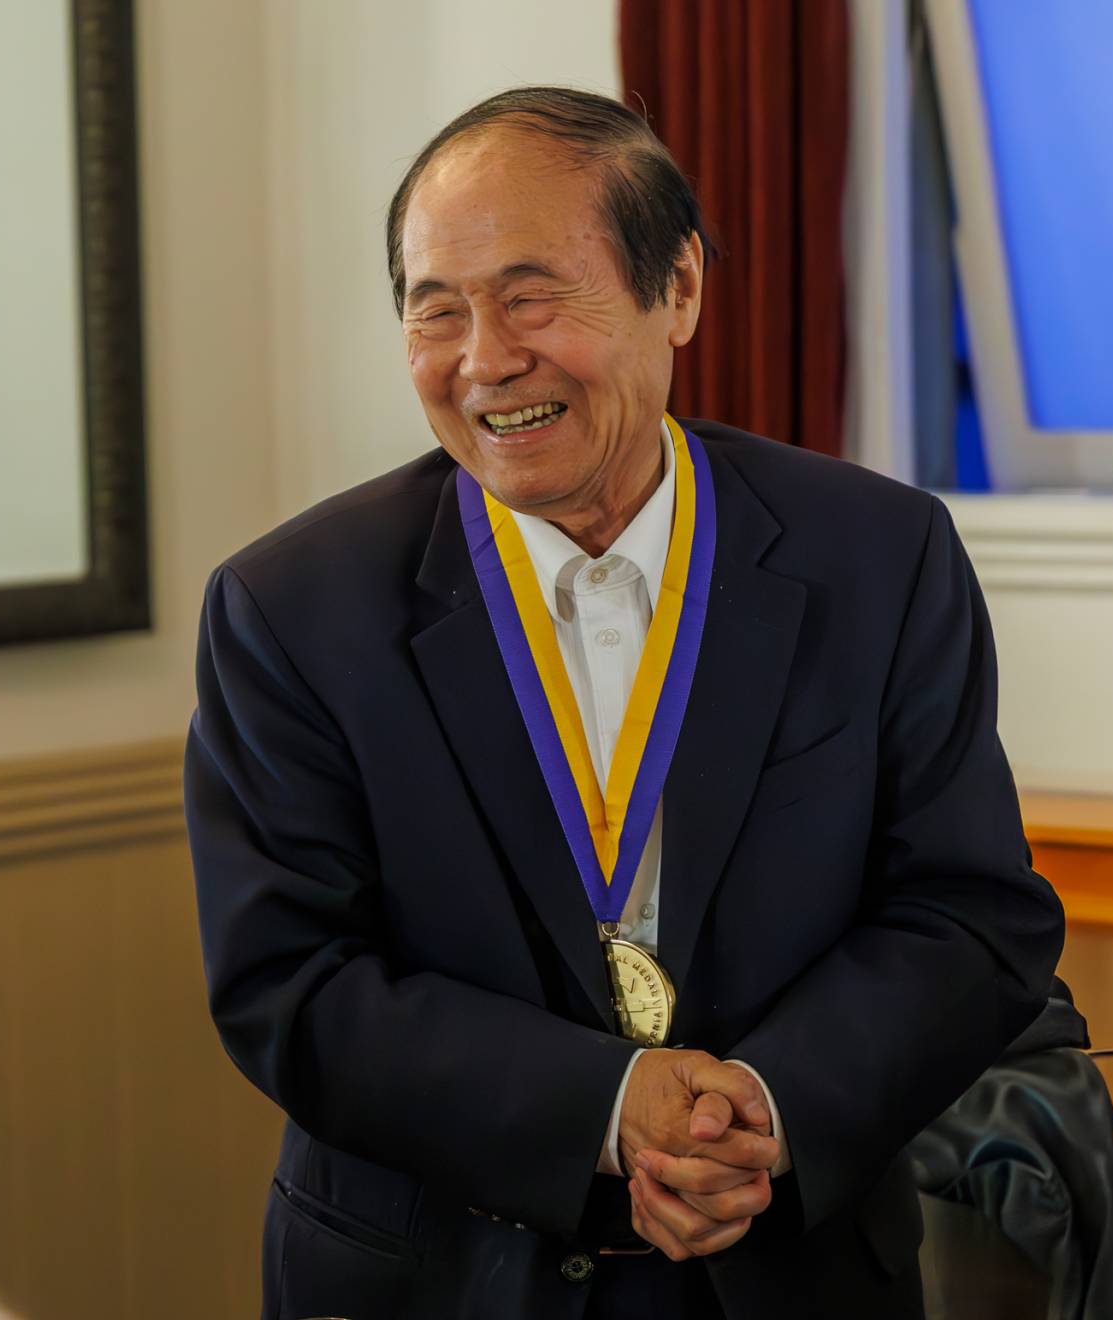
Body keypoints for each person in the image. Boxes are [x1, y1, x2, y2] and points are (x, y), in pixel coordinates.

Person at [185, 86, 1064, 1320]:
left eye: (532, 296)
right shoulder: (289, 608)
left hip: (793, 1271)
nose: (485, 359)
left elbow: (970, 914)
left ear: (679, 288)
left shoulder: (879, 555)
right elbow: (291, 984)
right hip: (439, 1281)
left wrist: (766, 1110)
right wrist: (605, 1109)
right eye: (436, 309)